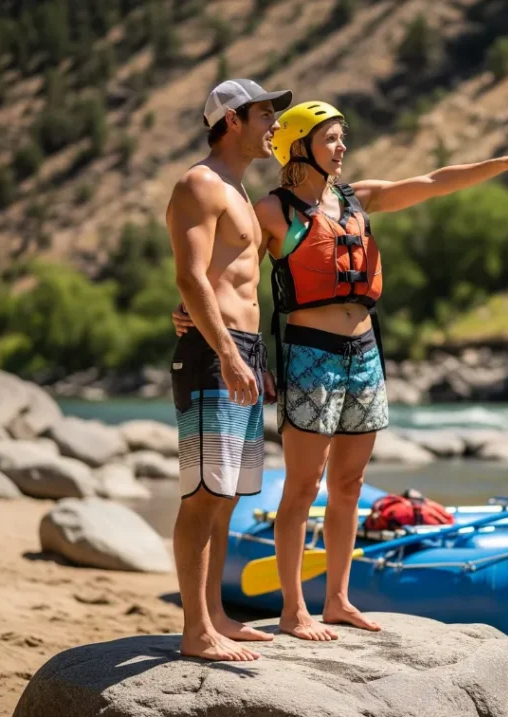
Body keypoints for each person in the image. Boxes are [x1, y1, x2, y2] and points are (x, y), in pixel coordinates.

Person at [173, 99, 508, 642]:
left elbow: (433, 181)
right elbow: (226, 267)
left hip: (365, 353)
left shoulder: (358, 198)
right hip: (309, 354)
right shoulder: (270, 211)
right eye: (331, 138)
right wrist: (189, 309)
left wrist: (502, 163)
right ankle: (293, 610)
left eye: (342, 137)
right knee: (303, 488)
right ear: (300, 144)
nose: (342, 147)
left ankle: (336, 600)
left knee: (350, 484)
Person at [164, 78, 292, 661]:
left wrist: (246, 353)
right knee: (201, 494)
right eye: (266, 114)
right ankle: (195, 631)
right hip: (217, 356)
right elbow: (191, 277)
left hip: (240, 348)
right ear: (233, 120)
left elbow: (220, 280)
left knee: (228, 496)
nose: (274, 125)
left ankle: (215, 614)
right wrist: (226, 353)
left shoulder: (242, 192)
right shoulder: (200, 183)